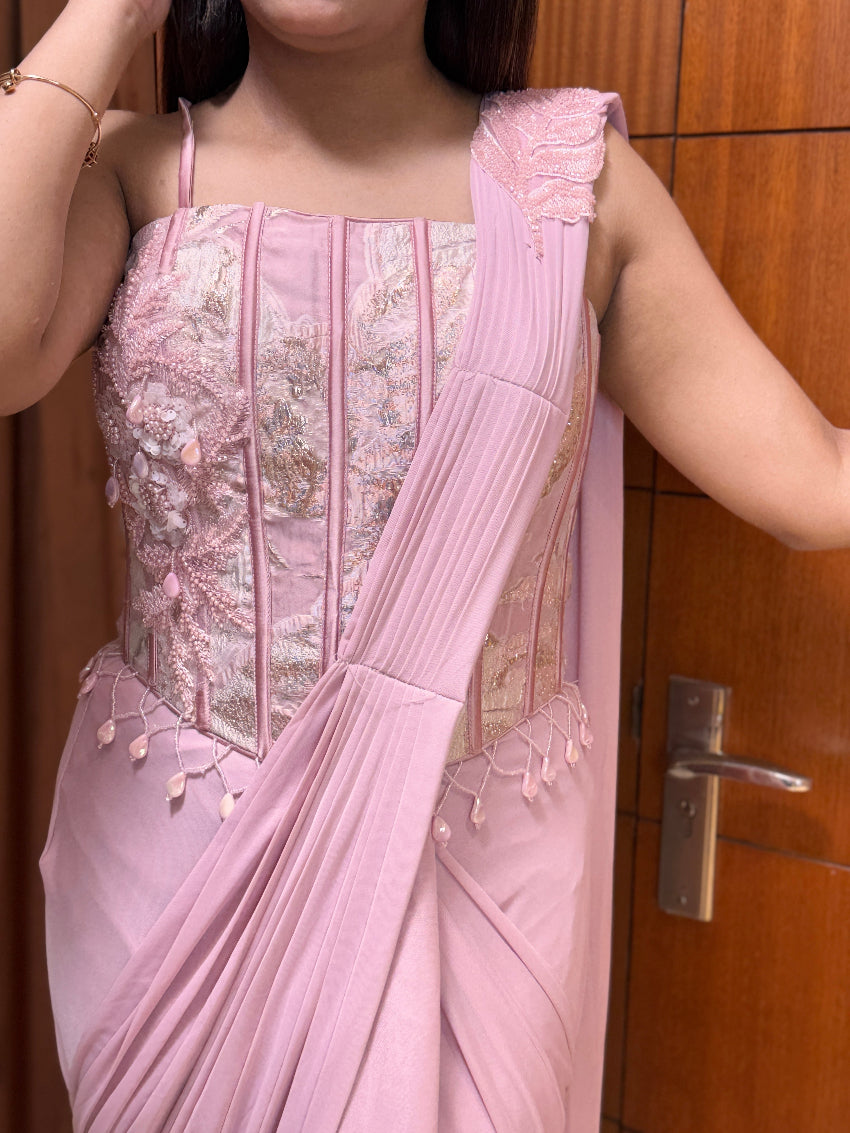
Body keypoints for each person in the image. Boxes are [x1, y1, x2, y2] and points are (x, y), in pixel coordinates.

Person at [1, 0, 847, 1129]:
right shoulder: (132, 169)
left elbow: (812, 485)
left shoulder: (573, 187)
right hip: (178, 891)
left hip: (477, 890)